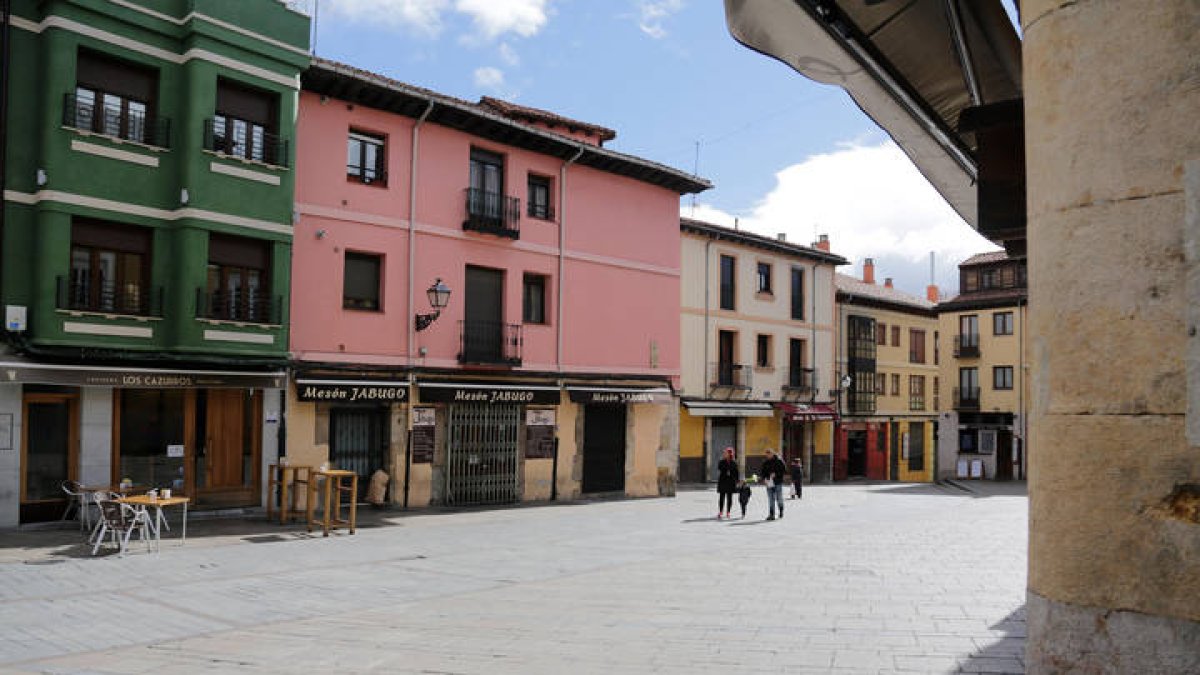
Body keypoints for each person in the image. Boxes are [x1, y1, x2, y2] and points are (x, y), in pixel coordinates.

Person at [760, 448, 787, 520]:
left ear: (772, 453)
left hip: (778, 482)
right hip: (769, 482)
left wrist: (776, 474)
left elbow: (784, 470)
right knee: (771, 499)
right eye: (766, 455)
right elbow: (763, 472)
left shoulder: (779, 461)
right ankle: (771, 514)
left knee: (779, 498)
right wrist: (764, 479)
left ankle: (781, 510)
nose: (767, 456)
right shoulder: (765, 462)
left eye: (768, 454)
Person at [716, 446, 738, 519]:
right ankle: (721, 511)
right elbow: (719, 468)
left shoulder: (734, 462)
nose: (724, 454)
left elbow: (736, 472)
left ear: (730, 454)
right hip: (723, 480)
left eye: (726, 453)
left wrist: (737, 481)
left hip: (731, 481)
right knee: (721, 497)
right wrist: (726, 468)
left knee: (729, 497)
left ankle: (728, 512)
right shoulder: (721, 461)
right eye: (724, 453)